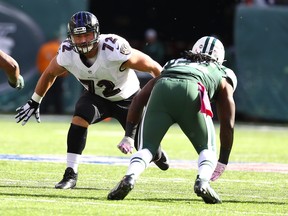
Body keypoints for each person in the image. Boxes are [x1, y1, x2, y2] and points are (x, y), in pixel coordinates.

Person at [15, 11, 168, 189]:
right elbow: (50, 72)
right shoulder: (67, 51)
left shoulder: (113, 48)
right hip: (97, 97)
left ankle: (158, 154)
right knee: (80, 116)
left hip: (130, 100)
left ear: (96, 33)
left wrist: (161, 96)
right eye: (77, 36)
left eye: (86, 34)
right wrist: (35, 100)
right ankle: (70, 174)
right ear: (70, 36)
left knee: (149, 147)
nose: (82, 40)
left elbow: (154, 67)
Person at [107, 36, 237, 204]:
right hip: (193, 89)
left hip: (163, 89)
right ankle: (202, 181)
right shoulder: (222, 71)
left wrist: (129, 135)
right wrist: (223, 159)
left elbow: (139, 98)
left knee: (147, 148)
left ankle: (130, 176)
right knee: (207, 148)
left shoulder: (174, 62)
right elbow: (228, 121)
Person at [36, 34, 68, 114]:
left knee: (44, 94)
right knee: (58, 94)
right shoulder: (59, 47)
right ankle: (59, 111)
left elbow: (39, 61)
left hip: (45, 74)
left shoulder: (44, 47)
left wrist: (42, 72)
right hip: (58, 75)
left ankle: (42, 111)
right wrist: (65, 74)